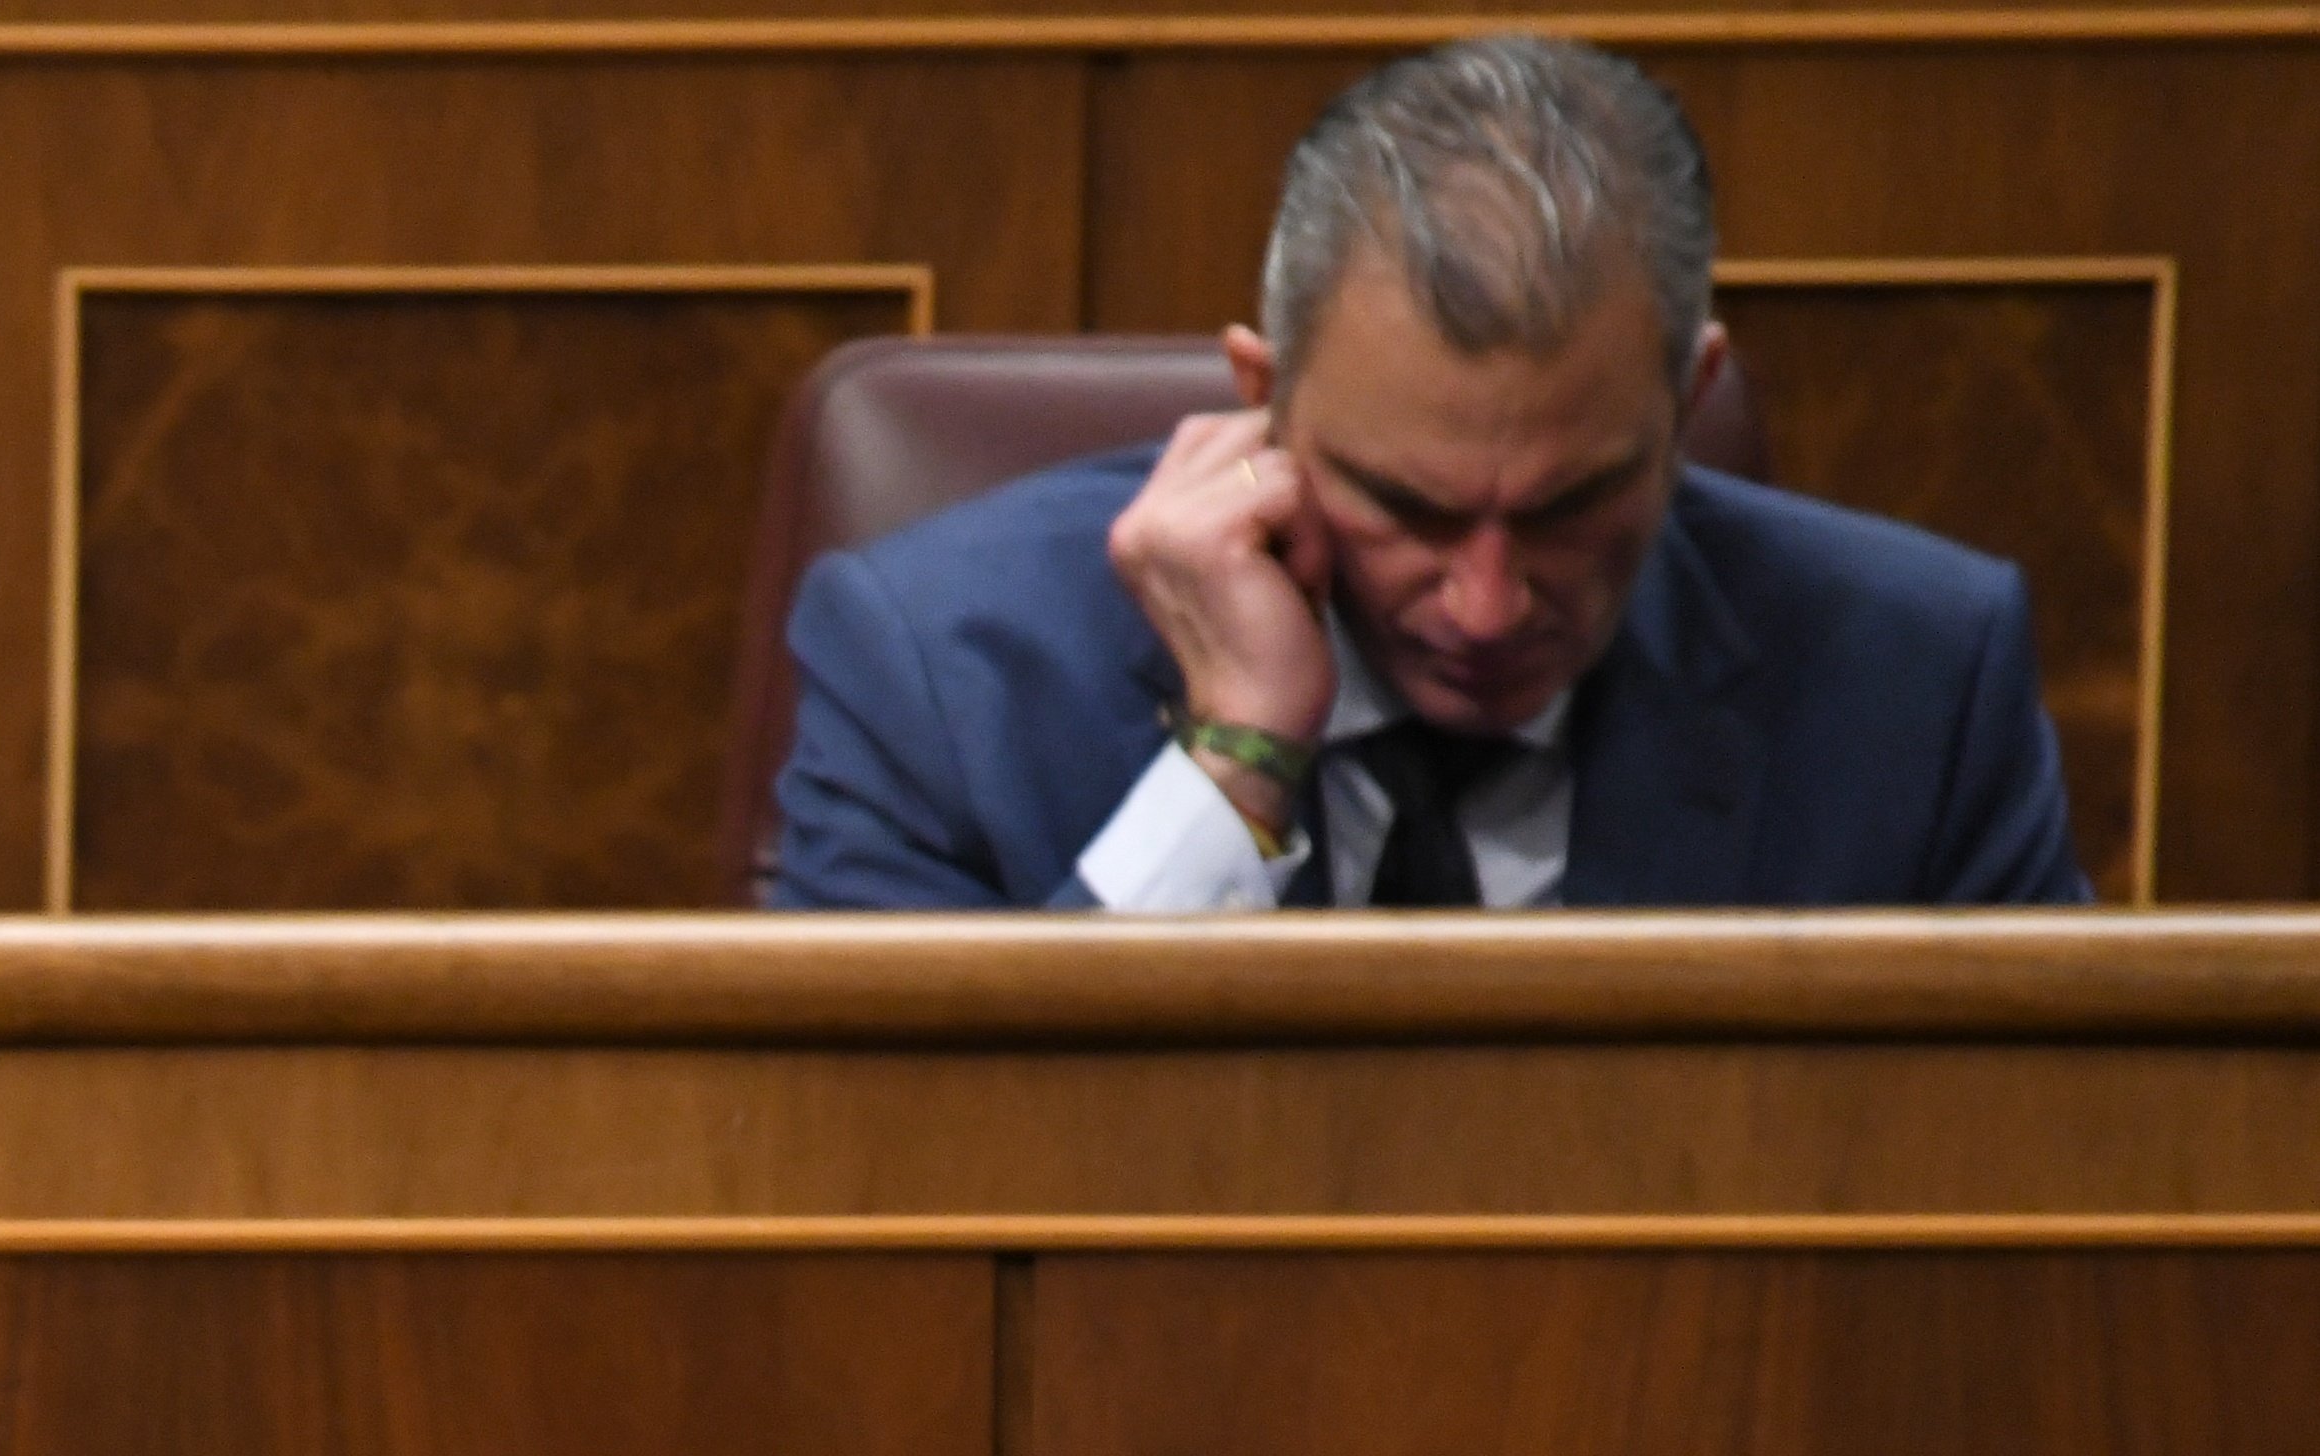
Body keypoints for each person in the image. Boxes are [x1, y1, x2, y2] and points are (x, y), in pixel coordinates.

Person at [767, 33, 2089, 911]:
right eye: (1407, 506)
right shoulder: (937, 674)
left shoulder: (1919, 688)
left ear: (1687, 402)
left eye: (1572, 507)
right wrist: (1230, 765)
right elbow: (903, 1205)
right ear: (1262, 399)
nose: (1487, 605)